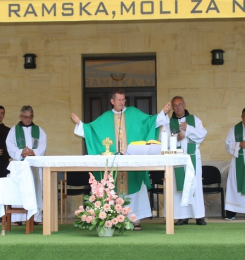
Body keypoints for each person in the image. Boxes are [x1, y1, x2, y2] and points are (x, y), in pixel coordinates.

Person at [70, 89, 171, 230]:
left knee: (136, 185)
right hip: (114, 162)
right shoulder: (105, 117)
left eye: (124, 100)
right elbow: (92, 130)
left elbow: (150, 121)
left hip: (132, 162)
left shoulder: (134, 113)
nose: (122, 102)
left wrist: (163, 113)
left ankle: (136, 220)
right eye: (119, 100)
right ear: (112, 101)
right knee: (112, 187)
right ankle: (114, 219)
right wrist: (80, 124)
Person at [160, 96, 207, 225]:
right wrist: (175, 138)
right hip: (177, 160)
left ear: (184, 105)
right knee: (179, 187)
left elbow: (203, 134)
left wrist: (188, 130)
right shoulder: (168, 123)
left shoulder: (194, 120)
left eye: (180, 105)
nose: (178, 108)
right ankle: (183, 216)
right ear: (172, 108)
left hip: (192, 157)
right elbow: (162, 140)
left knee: (194, 185)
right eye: (175, 106)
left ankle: (198, 216)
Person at [6, 105, 46, 224]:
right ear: (20, 116)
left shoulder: (39, 130)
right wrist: (21, 152)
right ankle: (18, 218)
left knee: (35, 190)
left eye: (30, 117)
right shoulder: (14, 130)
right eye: (25, 117)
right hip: (20, 166)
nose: (28, 119)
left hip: (34, 165)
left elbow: (43, 146)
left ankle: (36, 217)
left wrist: (34, 152)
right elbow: (9, 144)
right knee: (19, 190)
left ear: (33, 116)